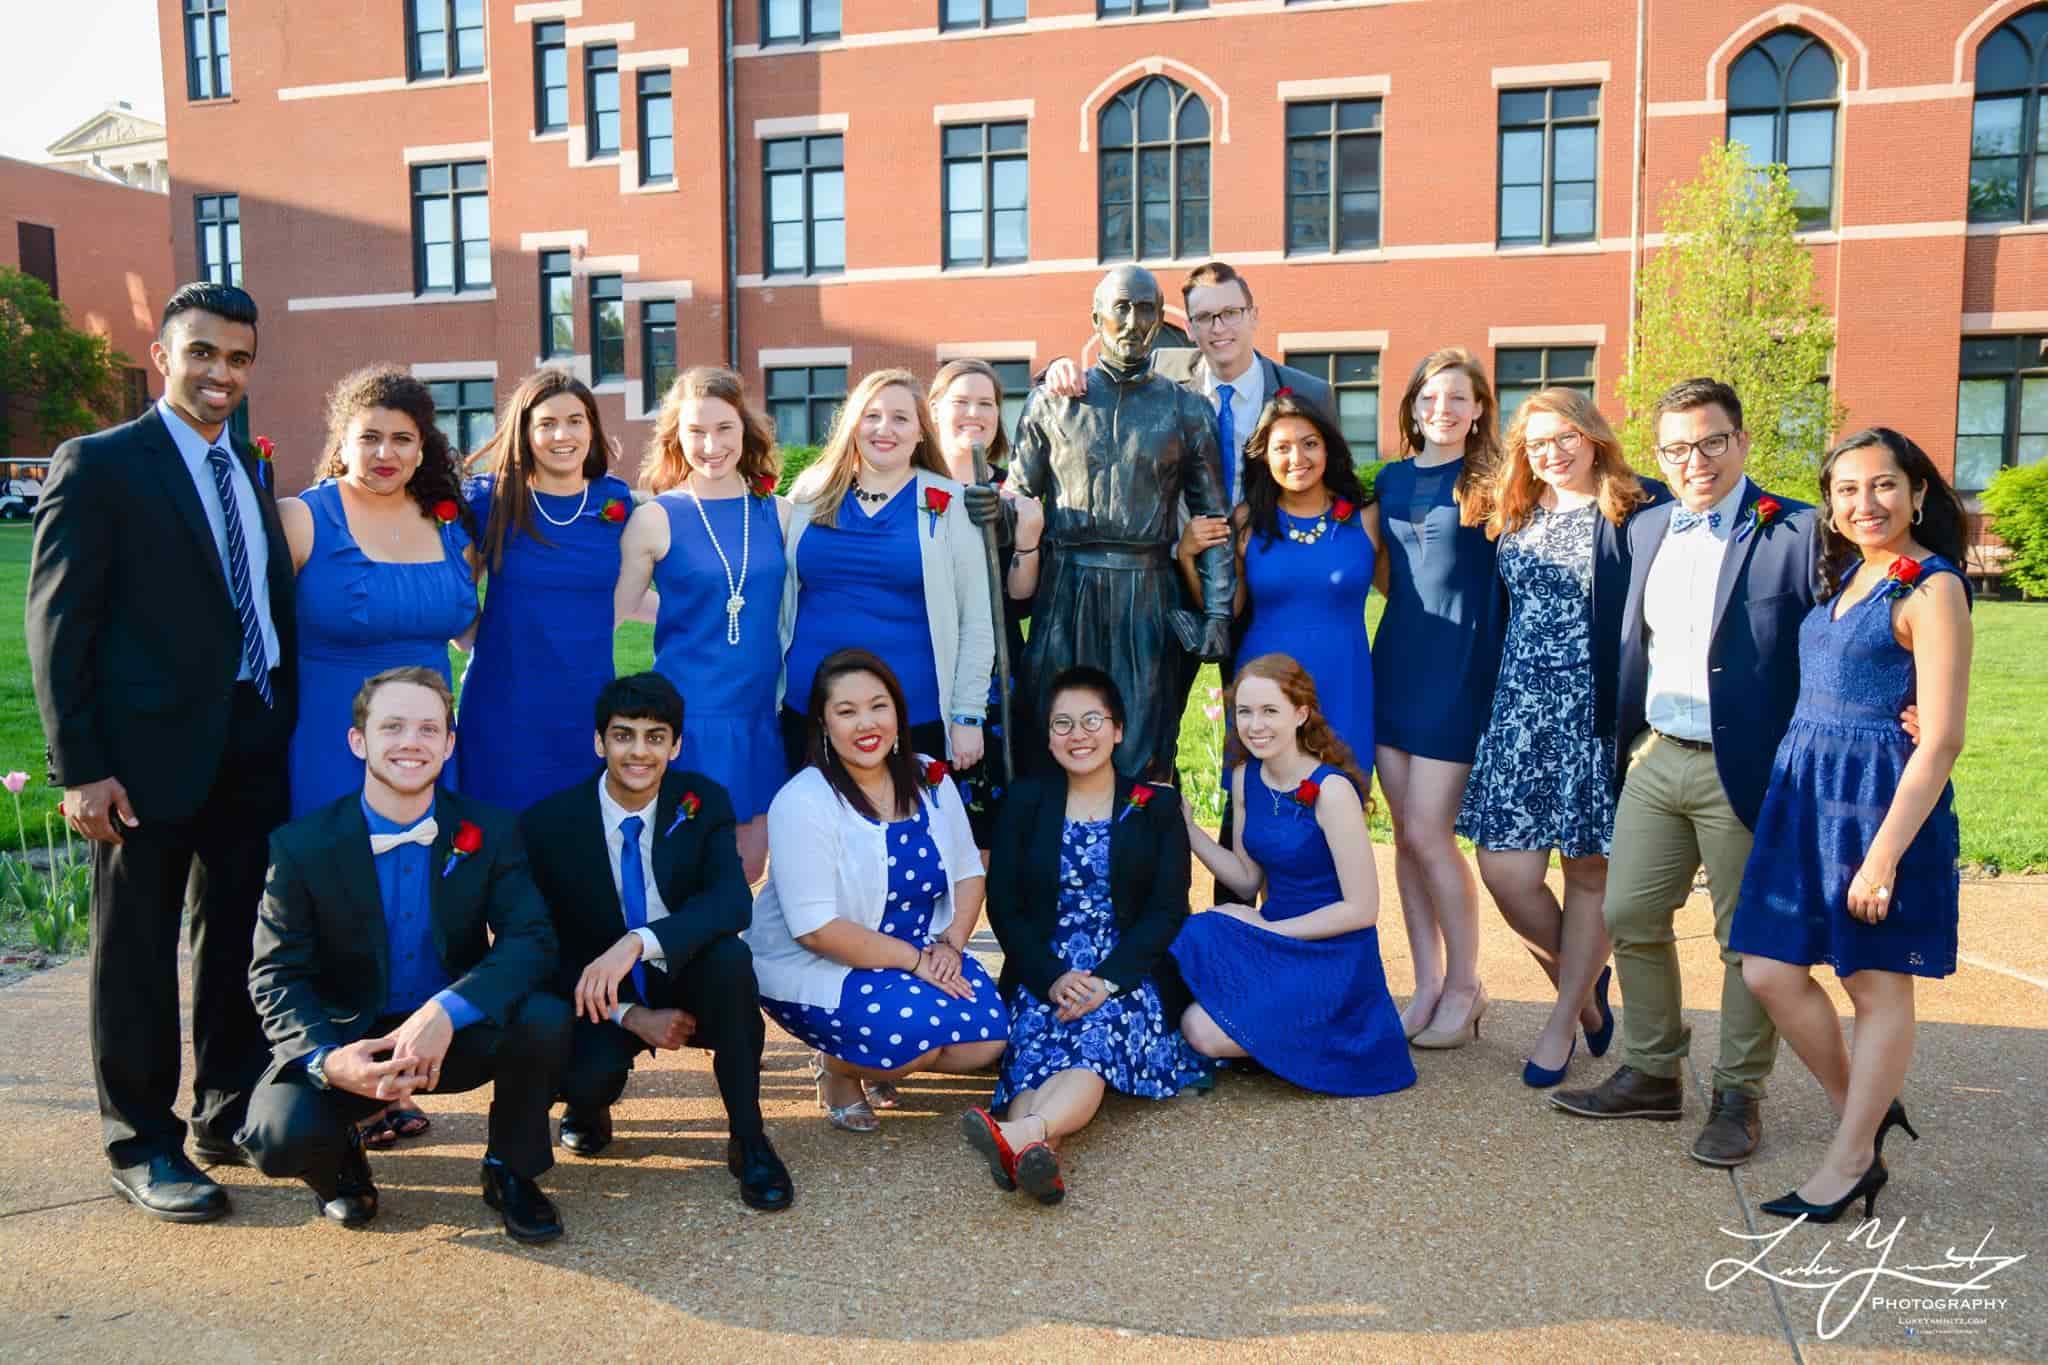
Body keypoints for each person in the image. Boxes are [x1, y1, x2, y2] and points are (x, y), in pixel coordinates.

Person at [27, 282, 295, 1222]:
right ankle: (141, 1140)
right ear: (163, 351)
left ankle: (227, 1109)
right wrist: (80, 767)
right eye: (204, 353)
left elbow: (255, 605)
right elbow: (59, 624)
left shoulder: (248, 471)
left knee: (233, 939)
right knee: (135, 950)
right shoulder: (99, 464)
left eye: (238, 358)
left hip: (251, 743)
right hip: (140, 762)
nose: (222, 373)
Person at [1553, 378, 1822, 1168]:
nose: (1694, 460)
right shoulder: (1646, 527)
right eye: (1675, 447)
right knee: (1630, 912)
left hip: (1747, 766)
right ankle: (1652, 1070)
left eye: (1710, 442)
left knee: (1745, 940)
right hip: (1657, 754)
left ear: (1740, 441)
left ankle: (1738, 1093)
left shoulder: (1797, 530)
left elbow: (1856, 623)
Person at [238, 668, 572, 1242]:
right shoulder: (300, 847)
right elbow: (275, 972)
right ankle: (341, 1169)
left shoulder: (488, 831)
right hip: (351, 1037)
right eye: (391, 726)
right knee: (276, 1136)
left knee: (544, 1016)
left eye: (427, 728)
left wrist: (448, 1011)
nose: (410, 742)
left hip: (453, 1036)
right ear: (358, 740)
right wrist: (327, 1060)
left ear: (448, 743)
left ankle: (510, 1169)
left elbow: (531, 939)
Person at [1730, 429, 1971, 1223]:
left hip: (1879, 800)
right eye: (1846, 490)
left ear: (1919, 494)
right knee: (1768, 968)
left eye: (1883, 486)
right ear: (1829, 504)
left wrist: (1882, 859)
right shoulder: (1851, 572)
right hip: (1806, 790)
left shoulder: (1931, 588)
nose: (1865, 503)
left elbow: (1938, 738)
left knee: (1872, 979)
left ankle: (1848, 1156)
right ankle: (1862, 1118)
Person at [521, 672, 794, 1211]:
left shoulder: (704, 801)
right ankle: (587, 1106)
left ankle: (748, 1138)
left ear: (676, 744)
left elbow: (731, 903)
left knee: (733, 963)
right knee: (587, 1076)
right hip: (597, 990)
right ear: (599, 742)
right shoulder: (547, 825)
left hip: (679, 967)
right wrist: (627, 1014)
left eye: (655, 736)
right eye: (623, 736)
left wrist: (639, 942)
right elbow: (537, 944)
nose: (639, 752)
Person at [1456, 390, 1652, 1087]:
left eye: (1564, 436)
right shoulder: (1516, 511)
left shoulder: (1638, 509)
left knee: (1588, 870)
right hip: (1519, 710)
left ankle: (1564, 1015)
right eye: (1537, 443)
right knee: (1508, 872)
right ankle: (1592, 999)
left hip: (1595, 714)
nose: (1552, 452)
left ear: (1594, 436)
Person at [967, 667, 1211, 1205]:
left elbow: (1169, 909)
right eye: (1063, 723)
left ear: (1118, 729)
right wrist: (1052, 977)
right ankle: (1035, 1146)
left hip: (1127, 974)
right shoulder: (1025, 803)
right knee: (1034, 1047)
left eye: (1092, 720)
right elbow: (1004, 905)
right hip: (1044, 968)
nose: (1078, 735)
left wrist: (1106, 981)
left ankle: (1018, 1132)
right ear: (1048, 735)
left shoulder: (1155, 806)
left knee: (1089, 1043)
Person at [746, 649, 1008, 1133]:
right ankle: (840, 1070)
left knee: (987, 1038)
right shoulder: (803, 800)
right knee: (911, 1043)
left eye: (877, 706)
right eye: (846, 712)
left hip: (924, 951)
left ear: (898, 712)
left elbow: (970, 870)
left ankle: (874, 1055)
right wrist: (914, 962)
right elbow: (816, 930)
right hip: (832, 963)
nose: (866, 723)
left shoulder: (929, 775)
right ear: (823, 724)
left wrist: (950, 943)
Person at [1008, 266, 1235, 780]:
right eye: (1121, 308)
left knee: (1143, 749)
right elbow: (1018, 499)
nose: (1133, 322)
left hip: (1148, 598)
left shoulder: (1187, 409)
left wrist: (1218, 616)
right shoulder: (1051, 402)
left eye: (1147, 308)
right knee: (1052, 743)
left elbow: (1213, 517)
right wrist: (990, 509)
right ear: (1097, 318)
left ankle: (1142, 856)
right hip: (1067, 592)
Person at [1170, 655, 1415, 1098]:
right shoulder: (1246, 777)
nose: (1255, 725)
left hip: (1332, 952)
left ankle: (1314, 1037)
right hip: (1275, 940)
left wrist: (1268, 928)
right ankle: (1270, 1035)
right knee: (1192, 932)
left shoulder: (1332, 790)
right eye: (1244, 712)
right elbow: (1246, 881)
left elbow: (1362, 910)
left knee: (1201, 1031)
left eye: (1270, 712)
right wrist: (1189, 831)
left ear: (1300, 714)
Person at [1369, 348, 1505, 1047]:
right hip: (1395, 660)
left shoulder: (1499, 480)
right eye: (1430, 397)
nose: (1442, 410)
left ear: (1479, 408)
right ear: (1414, 406)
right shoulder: (1388, 480)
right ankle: (1423, 982)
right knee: (1404, 835)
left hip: (1460, 666)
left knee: (1429, 830)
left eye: (1457, 398)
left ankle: (1467, 983)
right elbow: (1389, 573)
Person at [279, 367, 478, 820]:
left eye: (402, 439)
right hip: (329, 740)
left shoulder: (452, 529)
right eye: (369, 437)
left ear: (422, 447)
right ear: (342, 443)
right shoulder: (301, 520)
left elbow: (473, 631)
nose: (385, 453)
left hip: (424, 747)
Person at [616, 367, 790, 883]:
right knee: (689, 865)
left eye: (724, 429)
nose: (710, 445)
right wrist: (683, 612)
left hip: (760, 711)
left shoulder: (778, 513)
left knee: (752, 865)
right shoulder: (657, 518)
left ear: (745, 431)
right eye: (695, 432)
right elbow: (621, 606)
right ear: (676, 437)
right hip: (691, 714)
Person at [777, 370, 995, 779]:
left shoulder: (949, 504)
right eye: (872, 416)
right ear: (852, 424)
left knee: (902, 839)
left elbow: (977, 620)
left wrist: (967, 715)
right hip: (808, 710)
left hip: (913, 715)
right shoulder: (812, 491)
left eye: (900, 418)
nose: (884, 429)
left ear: (920, 433)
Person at [457, 369, 632, 812]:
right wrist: (481, 639)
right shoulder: (489, 501)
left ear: (592, 427)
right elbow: (450, 593)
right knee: (498, 843)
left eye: (575, 420)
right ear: (525, 432)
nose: (563, 435)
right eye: (547, 424)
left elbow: (633, 593)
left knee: (574, 842)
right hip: (505, 706)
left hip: (585, 703)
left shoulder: (614, 503)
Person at [1186, 390, 1381, 762]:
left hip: (1344, 682)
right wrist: (1185, 556)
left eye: (1310, 444)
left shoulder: (1366, 519)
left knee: (1340, 803)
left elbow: (1399, 592)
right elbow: (1227, 609)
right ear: (1264, 456)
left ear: (1328, 448)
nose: (1297, 459)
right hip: (1266, 686)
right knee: (1264, 808)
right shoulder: (1247, 520)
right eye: (1282, 448)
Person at [932, 359, 1044, 847]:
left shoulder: (1012, 488)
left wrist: (1027, 538)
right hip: (925, 661)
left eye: (987, 403)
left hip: (996, 670)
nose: (974, 413)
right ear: (933, 409)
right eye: (961, 402)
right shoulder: (911, 484)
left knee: (990, 822)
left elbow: (1019, 601)